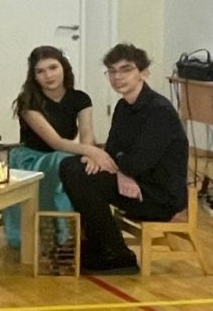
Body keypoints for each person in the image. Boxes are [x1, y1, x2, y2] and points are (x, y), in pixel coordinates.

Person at [59, 44, 188, 275]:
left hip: (158, 196)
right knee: (72, 166)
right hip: (133, 183)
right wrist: (121, 171)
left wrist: (122, 168)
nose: (117, 77)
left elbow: (138, 162)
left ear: (144, 73)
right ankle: (102, 246)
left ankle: (117, 254)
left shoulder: (159, 111)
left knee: (80, 174)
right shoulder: (123, 106)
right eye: (112, 71)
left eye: (126, 69)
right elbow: (114, 150)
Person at [2, 45, 110, 249]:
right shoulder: (28, 101)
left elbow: (87, 133)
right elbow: (55, 142)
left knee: (84, 165)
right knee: (67, 162)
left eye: (53, 67)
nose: (48, 75)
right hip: (32, 159)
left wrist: (90, 155)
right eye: (40, 71)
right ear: (34, 76)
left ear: (64, 68)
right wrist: (93, 151)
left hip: (62, 155)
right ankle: (60, 235)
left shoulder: (80, 98)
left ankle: (87, 233)